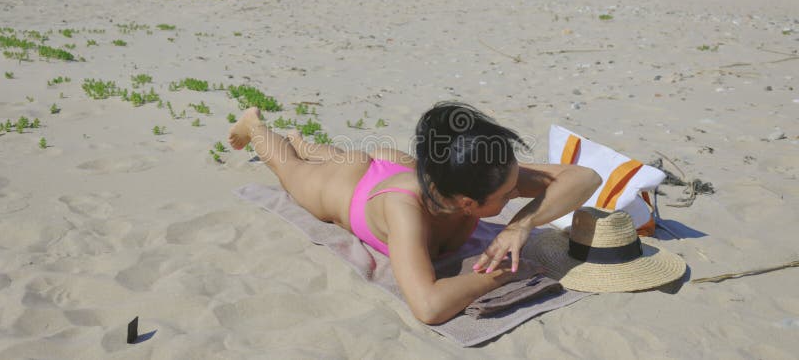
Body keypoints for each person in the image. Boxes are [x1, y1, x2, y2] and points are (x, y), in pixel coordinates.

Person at [228, 102, 601, 324]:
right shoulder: (405, 211)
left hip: (403, 166)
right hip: (348, 188)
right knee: (289, 168)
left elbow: (585, 177)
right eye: (509, 195)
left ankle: (307, 143)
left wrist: (523, 223)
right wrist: (498, 276)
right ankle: (257, 124)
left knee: (350, 156)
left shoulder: (480, 176)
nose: (517, 191)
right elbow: (428, 306)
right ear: (468, 204)